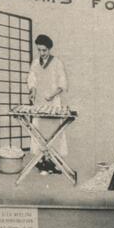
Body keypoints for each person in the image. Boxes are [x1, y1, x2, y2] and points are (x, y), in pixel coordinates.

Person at [26, 34, 68, 175]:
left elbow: (62, 84)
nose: (42, 53)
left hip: (52, 102)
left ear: (49, 49)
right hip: (39, 102)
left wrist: (52, 94)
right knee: (39, 131)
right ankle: (42, 160)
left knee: (53, 131)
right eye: (39, 50)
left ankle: (51, 161)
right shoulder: (35, 63)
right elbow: (32, 80)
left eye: (44, 50)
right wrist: (32, 92)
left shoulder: (57, 63)